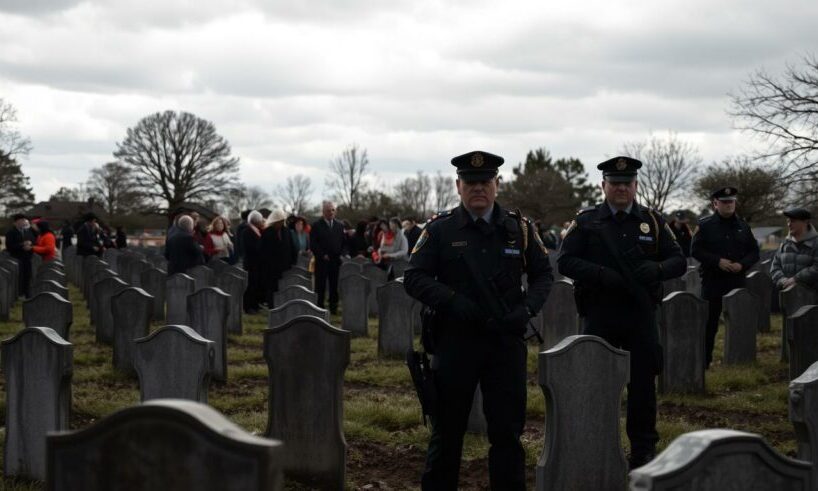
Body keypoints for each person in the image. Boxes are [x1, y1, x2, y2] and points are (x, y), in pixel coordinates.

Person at [404, 150, 553, 490]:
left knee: (507, 433)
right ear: (458, 185)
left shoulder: (520, 229)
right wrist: (452, 301)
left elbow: (544, 275)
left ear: (497, 184)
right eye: (470, 182)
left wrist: (527, 309)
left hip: (505, 342)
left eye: (485, 181)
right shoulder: (440, 229)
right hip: (456, 342)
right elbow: (414, 277)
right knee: (447, 431)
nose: (478, 188)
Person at [558, 156, 686, 469]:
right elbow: (565, 261)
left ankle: (643, 450)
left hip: (639, 315)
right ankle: (595, 444)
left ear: (635, 185)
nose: (621, 188)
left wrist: (656, 269)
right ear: (603, 185)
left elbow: (679, 260)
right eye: (615, 183)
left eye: (627, 183)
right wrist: (600, 274)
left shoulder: (652, 222)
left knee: (642, 385)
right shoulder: (587, 221)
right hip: (600, 313)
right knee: (595, 381)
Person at [691, 186, 759, 369]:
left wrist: (742, 264)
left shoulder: (743, 226)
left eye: (731, 201)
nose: (729, 205)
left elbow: (754, 252)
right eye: (725, 202)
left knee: (740, 321)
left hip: (737, 280)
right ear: (715, 204)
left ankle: (740, 361)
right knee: (709, 324)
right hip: (713, 281)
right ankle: (704, 362)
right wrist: (717, 261)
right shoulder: (705, 225)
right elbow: (695, 250)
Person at [310, 200, 346, 315]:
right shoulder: (316, 225)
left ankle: (333, 307)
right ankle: (319, 307)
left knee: (334, 285)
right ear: (323, 212)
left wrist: (342, 254)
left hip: (335, 260)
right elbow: (313, 244)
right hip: (322, 261)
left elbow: (343, 242)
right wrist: (322, 255)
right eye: (328, 210)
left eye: (333, 210)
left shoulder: (340, 225)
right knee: (320, 285)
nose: (331, 212)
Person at [770, 208, 818, 291]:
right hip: (786, 295)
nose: (789, 224)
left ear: (806, 222)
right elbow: (775, 267)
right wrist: (782, 280)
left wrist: (796, 279)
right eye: (788, 221)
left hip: (812, 295)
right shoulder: (784, 244)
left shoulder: (816, 243)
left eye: (793, 221)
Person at [260, 209, 297, 307]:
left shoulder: (287, 231)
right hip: (271, 267)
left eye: (282, 221)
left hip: (285, 265)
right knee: (272, 287)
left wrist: (293, 261)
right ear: (275, 221)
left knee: (283, 287)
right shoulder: (267, 232)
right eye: (279, 221)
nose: (281, 223)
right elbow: (263, 250)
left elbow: (292, 247)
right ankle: (272, 306)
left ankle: (283, 305)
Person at [4, 213, 35, 297]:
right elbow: (9, 246)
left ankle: (27, 293)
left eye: (24, 220)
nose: (23, 222)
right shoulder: (11, 232)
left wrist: (30, 245)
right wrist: (22, 245)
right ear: (15, 223)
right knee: (19, 278)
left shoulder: (27, 231)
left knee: (27, 276)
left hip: (27, 258)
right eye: (21, 220)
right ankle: (19, 294)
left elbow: (33, 241)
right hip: (16, 258)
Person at [241, 210, 266, 314]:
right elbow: (251, 247)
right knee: (250, 284)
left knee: (256, 284)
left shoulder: (257, 230)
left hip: (257, 263)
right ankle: (248, 307)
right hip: (251, 263)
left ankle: (255, 304)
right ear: (256, 221)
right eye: (260, 220)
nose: (262, 222)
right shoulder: (247, 231)